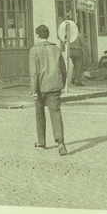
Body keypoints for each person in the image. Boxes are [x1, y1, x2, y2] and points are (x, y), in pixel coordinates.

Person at [29, 24, 68, 155]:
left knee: (39, 114)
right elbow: (63, 69)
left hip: (40, 87)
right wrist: (62, 84)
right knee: (56, 114)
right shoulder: (56, 49)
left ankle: (41, 142)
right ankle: (60, 142)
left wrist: (34, 91)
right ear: (48, 35)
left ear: (38, 35)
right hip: (55, 85)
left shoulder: (34, 50)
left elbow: (34, 73)